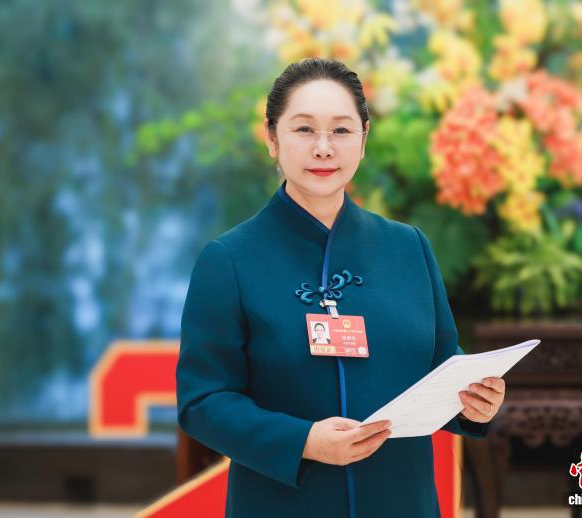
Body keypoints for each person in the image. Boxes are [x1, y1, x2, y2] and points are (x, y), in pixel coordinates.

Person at [176, 57, 506, 518]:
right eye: (304, 129)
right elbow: (202, 401)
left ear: (363, 140)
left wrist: (474, 403)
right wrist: (304, 441)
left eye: (342, 130)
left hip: (402, 502)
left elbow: (442, 367)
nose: (324, 148)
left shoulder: (408, 247)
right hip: (283, 505)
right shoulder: (229, 260)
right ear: (272, 138)